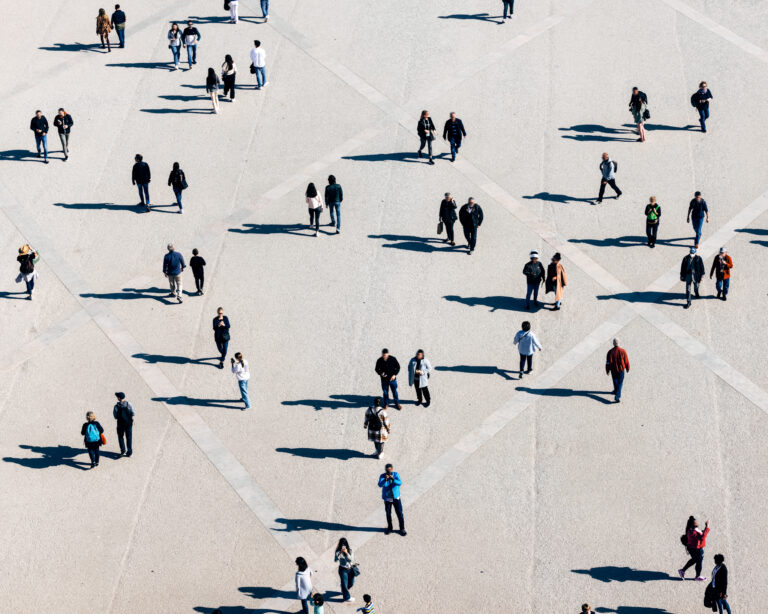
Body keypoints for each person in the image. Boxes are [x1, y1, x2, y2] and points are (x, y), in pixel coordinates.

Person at [679, 516, 710, 581]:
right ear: (693, 524)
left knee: (694, 560)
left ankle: (683, 570)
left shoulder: (692, 529)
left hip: (693, 548)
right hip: (696, 549)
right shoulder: (693, 531)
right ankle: (697, 576)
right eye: (695, 522)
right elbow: (702, 537)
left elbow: (701, 534)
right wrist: (707, 527)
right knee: (699, 561)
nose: (697, 522)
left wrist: (705, 529)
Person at [378, 464, 405, 535]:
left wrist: (393, 479)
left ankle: (402, 528)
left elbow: (400, 483)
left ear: (392, 469)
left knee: (399, 513)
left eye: (390, 470)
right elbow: (380, 485)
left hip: (396, 498)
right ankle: (390, 528)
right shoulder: (382, 476)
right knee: (388, 514)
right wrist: (385, 480)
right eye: (387, 470)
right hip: (388, 499)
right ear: (385, 470)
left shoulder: (395, 474)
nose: (389, 472)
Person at [605, 338, 629, 403]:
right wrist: (627, 368)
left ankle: (616, 391)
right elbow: (626, 360)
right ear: (619, 343)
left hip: (613, 370)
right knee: (620, 383)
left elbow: (607, 362)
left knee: (615, 381)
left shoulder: (610, 352)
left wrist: (607, 370)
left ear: (613, 343)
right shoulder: (623, 351)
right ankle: (617, 396)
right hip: (621, 370)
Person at [112, 392, 134, 457]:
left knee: (120, 437)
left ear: (119, 398)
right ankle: (129, 452)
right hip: (128, 424)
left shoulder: (116, 406)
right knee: (129, 437)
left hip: (120, 424)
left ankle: (123, 451)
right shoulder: (129, 404)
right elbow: (133, 412)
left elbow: (115, 416)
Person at [334, 538, 356, 603]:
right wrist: (337, 556)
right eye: (342, 545)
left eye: (344, 545)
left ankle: (344, 589)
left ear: (346, 545)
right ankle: (347, 597)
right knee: (344, 584)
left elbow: (351, 560)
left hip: (350, 568)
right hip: (343, 569)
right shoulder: (338, 551)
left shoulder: (350, 551)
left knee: (351, 583)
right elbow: (335, 560)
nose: (343, 547)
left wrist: (346, 553)